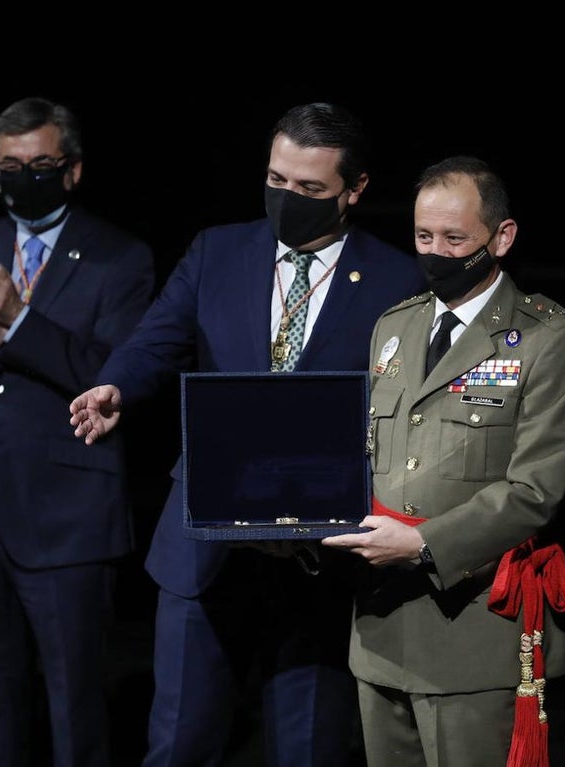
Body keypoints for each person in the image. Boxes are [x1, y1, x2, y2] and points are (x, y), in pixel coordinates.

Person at [68, 102, 427, 766]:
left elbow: (403, 408)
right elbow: (156, 339)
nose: (287, 198)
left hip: (320, 558)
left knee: (308, 748)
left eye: (310, 189)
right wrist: (117, 384)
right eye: (276, 179)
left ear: (355, 190)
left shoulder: (396, 281)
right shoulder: (217, 250)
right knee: (179, 744)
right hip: (206, 547)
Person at [321, 155, 565, 766]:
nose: (436, 251)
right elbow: (364, 457)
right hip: (380, 626)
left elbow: (535, 489)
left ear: (501, 237)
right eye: (423, 236)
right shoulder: (394, 327)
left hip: (473, 631)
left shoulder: (550, 339)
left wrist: (422, 545)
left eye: (454, 238)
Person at [0, 96, 155, 767]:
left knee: (76, 709)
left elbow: (114, 372)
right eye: (9, 166)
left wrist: (21, 323)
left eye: (40, 164)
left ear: (72, 170)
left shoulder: (120, 257)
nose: (24, 176)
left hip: (67, 512)